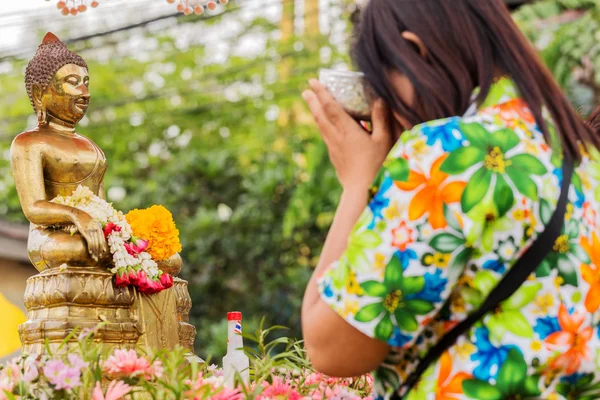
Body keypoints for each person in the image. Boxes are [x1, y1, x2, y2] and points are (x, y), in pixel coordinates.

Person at [300, 1, 600, 399]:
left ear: (415, 52)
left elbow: (332, 348)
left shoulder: (446, 151)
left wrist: (358, 184)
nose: (392, 111)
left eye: (384, 84)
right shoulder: (582, 154)